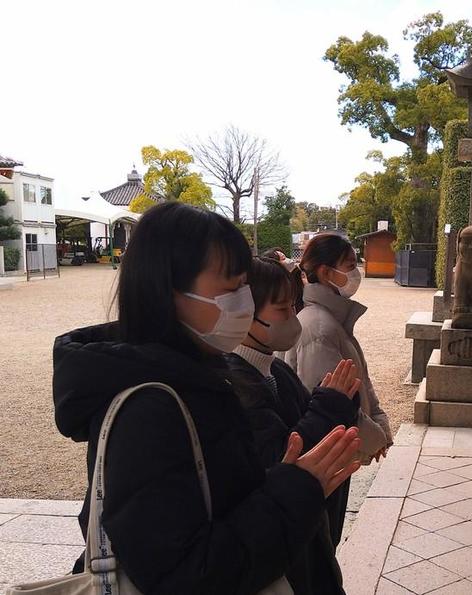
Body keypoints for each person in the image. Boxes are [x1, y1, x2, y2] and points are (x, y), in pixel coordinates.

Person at [52, 202, 360, 594]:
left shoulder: (205, 375)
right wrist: (294, 490)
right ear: (167, 289)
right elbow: (183, 574)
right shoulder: (148, 410)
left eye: (245, 285)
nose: (244, 302)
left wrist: (281, 481)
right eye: (231, 287)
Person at [225, 256, 360, 594]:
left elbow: (310, 417)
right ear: (245, 315)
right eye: (281, 310)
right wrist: (331, 403)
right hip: (281, 542)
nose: (293, 319)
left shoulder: (275, 370)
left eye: (292, 306)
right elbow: (284, 453)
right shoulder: (235, 383)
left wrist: (338, 400)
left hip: (306, 531)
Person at [287, 233, 393, 545]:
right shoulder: (318, 328)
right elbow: (332, 405)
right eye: (349, 265)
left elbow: (361, 383)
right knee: (322, 542)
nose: (355, 271)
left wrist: (380, 427)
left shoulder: (331, 321)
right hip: (325, 458)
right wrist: (376, 437)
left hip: (337, 454)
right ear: (324, 272)